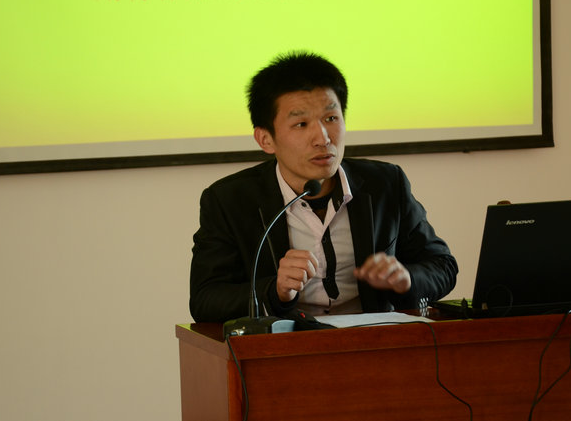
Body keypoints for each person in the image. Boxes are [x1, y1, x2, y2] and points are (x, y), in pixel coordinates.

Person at [189, 51, 457, 322]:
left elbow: (443, 266)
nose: (323, 138)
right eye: (301, 124)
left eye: (331, 118)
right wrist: (274, 291)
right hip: (287, 343)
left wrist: (406, 279)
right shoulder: (229, 200)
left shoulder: (385, 183)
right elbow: (205, 299)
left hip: (375, 338)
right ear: (265, 139)